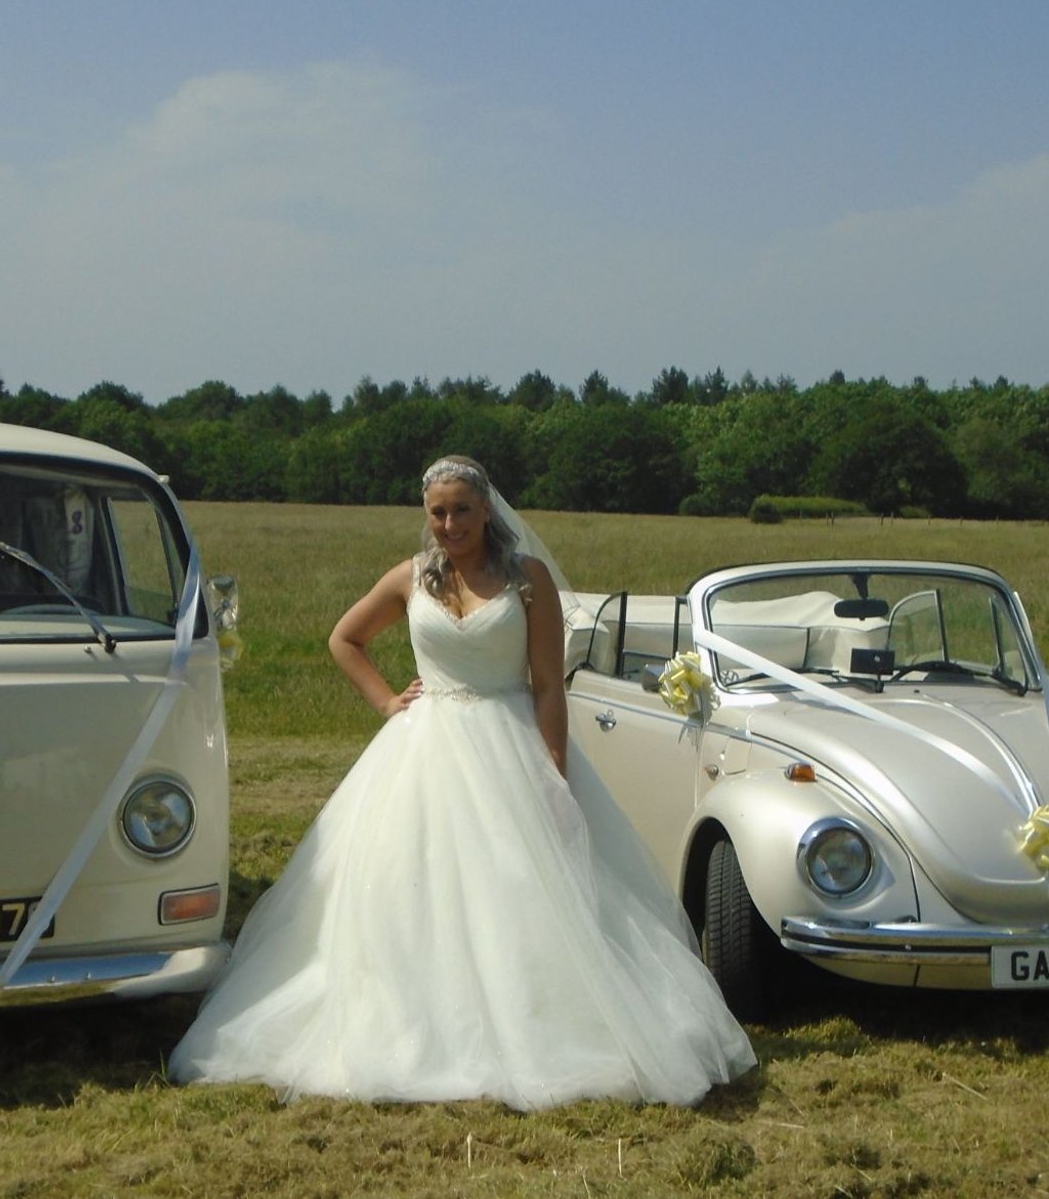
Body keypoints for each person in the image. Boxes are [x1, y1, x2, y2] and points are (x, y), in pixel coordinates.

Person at [168, 456, 755, 1109]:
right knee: (406, 884)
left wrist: (553, 771)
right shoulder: (411, 578)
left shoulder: (526, 580)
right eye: (438, 513)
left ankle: (537, 1022)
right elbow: (345, 639)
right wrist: (389, 701)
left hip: (511, 741)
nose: (450, 524)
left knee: (523, 886)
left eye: (462, 510)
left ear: (487, 510)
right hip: (425, 746)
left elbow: (546, 686)